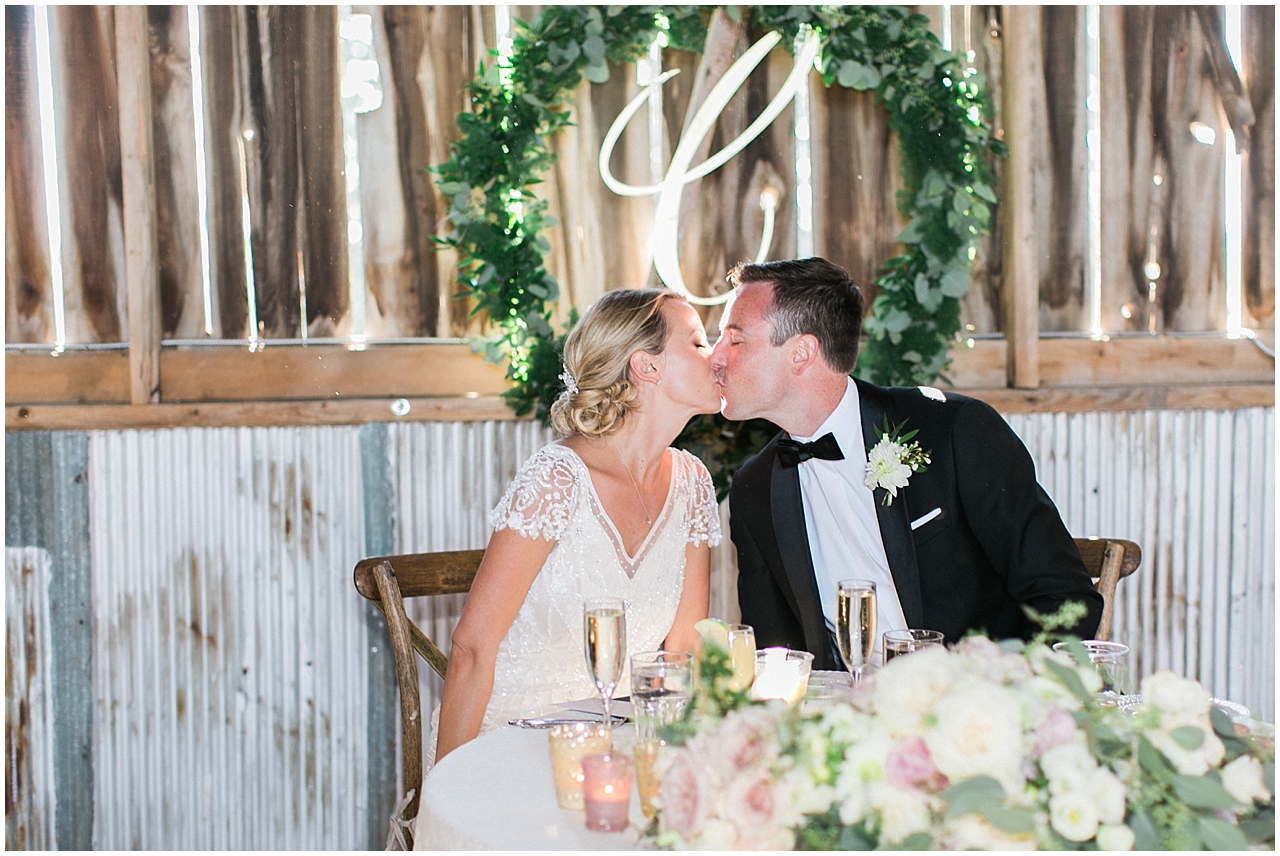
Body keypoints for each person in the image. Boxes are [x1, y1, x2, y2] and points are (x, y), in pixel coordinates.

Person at [709, 258, 1102, 670]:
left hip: (980, 705)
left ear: (802, 353)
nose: (715, 358)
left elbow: (1065, 600)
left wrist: (1003, 699)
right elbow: (777, 652)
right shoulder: (755, 488)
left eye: (735, 340)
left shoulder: (953, 431)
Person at [430, 288, 723, 766]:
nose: (715, 356)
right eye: (695, 342)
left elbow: (683, 651)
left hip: (619, 747)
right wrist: (448, 792)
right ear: (645, 366)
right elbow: (472, 646)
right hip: (514, 743)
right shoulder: (557, 478)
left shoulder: (692, 484)